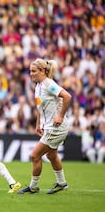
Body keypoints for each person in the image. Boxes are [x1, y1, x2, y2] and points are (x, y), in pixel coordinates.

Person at [18, 59, 72, 194]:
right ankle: (62, 183)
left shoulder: (48, 84)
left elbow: (67, 96)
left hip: (56, 127)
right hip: (49, 126)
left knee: (34, 155)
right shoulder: (38, 86)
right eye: (30, 71)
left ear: (43, 71)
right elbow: (40, 107)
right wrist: (38, 124)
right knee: (51, 155)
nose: (31, 74)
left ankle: (33, 187)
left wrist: (60, 116)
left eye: (33, 71)